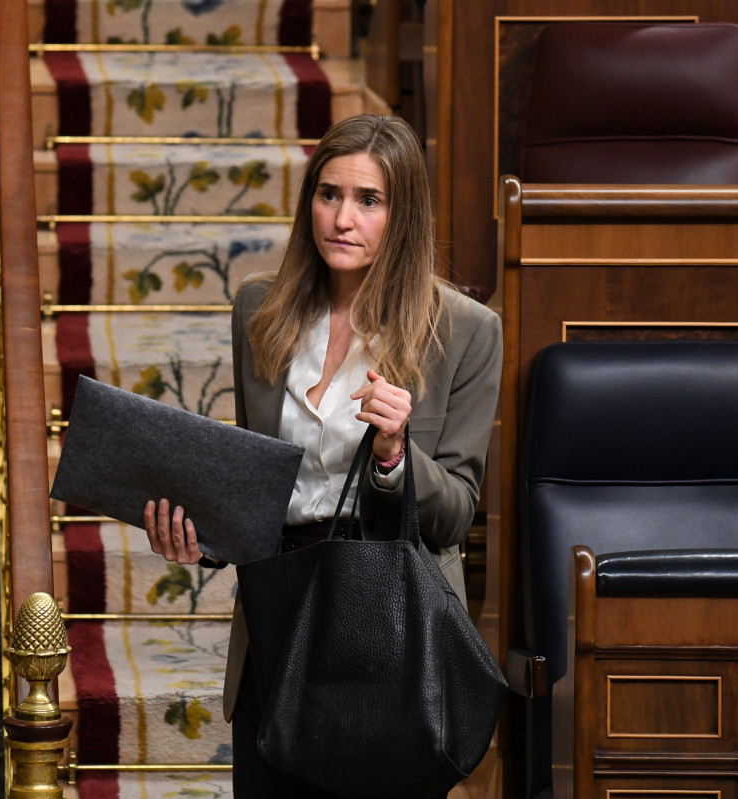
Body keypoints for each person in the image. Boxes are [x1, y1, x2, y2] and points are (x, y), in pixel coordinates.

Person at [144, 114, 503, 796]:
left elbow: (455, 514)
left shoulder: (464, 331)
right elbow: (262, 487)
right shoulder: (262, 312)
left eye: (369, 200)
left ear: (403, 216)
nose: (342, 217)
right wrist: (202, 537)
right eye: (328, 193)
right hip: (280, 614)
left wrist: (397, 454)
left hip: (391, 627)